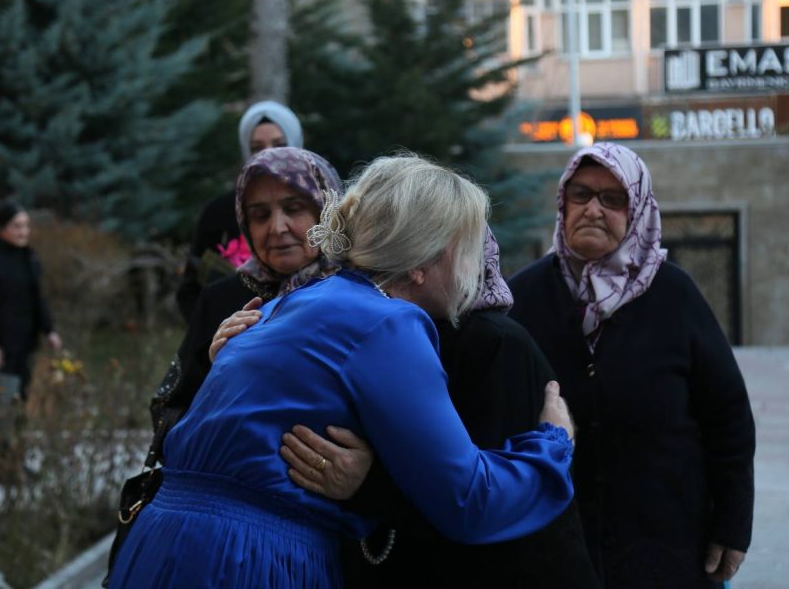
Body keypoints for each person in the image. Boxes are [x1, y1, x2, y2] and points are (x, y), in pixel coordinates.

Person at [107, 155, 577, 588]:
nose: (477, 268)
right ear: (421, 264)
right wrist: (553, 445)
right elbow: (467, 500)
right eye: (467, 248)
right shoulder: (388, 323)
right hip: (248, 560)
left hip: (165, 544)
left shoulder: (297, 301)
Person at [217, 229, 600, 588]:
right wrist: (235, 359)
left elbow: (486, 502)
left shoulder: (491, 343)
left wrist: (371, 485)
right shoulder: (349, 323)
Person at [506, 143, 756, 589]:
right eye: (580, 194)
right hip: (553, 551)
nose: (593, 210)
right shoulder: (523, 297)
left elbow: (728, 418)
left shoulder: (674, 295)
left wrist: (733, 525)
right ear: (563, 204)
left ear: (637, 209)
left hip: (667, 546)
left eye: (612, 199)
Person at [152, 147, 343, 458]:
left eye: (294, 208)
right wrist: (218, 373)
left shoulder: (360, 294)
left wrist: (364, 476)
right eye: (260, 215)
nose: (277, 228)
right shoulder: (224, 298)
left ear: (327, 211)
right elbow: (168, 412)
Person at [175, 100, 304, 321]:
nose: (268, 154)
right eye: (257, 147)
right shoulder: (220, 211)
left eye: (279, 144)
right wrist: (218, 331)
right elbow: (191, 291)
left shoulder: (319, 201)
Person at [0, 202, 62, 400]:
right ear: (3, 228)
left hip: (25, 341)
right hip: (0, 344)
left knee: (20, 396)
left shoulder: (29, 258)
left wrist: (49, 330)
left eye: (26, 226)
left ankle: (18, 430)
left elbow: (36, 297)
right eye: (17, 226)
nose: (23, 232)